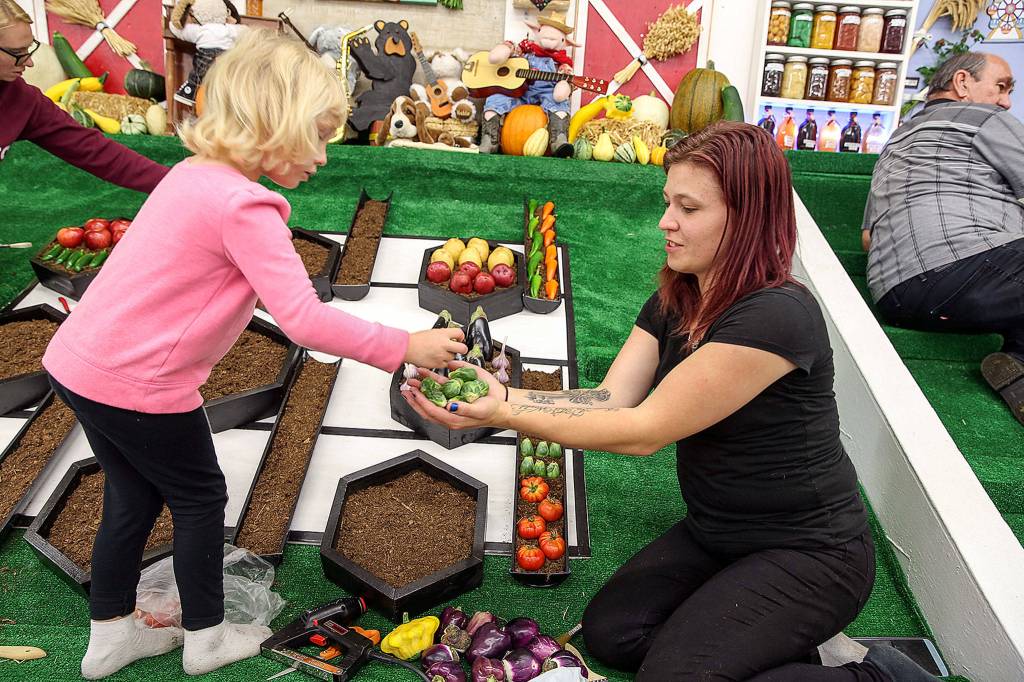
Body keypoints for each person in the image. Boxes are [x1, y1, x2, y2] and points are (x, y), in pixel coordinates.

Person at [405, 122, 938, 681]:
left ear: (747, 218)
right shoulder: (679, 295)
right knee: (614, 634)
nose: (666, 221)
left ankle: (880, 676)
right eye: (668, 202)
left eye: (688, 207)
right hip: (718, 534)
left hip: (813, 554)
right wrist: (507, 395)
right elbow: (609, 400)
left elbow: (645, 430)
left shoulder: (778, 315)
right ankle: (782, 649)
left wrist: (508, 413)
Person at [42, 30, 466, 680]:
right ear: (273, 127)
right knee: (200, 499)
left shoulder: (194, 176)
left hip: (78, 365)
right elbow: (303, 320)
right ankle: (206, 639)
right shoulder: (248, 207)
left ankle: (109, 639)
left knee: (130, 497)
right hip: (141, 386)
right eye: (317, 136)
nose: (325, 155)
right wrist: (403, 346)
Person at [861, 51, 1024, 426]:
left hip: (896, 297)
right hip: (969, 271)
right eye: (1001, 87)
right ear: (963, 83)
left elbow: (868, 238)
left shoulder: (894, 144)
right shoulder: (985, 118)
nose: (1006, 101)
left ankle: (1016, 364)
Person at [0, 0, 167, 192]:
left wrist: (175, 183)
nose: (29, 62)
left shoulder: (21, 99)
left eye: (29, 49)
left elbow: (91, 148)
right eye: (17, 53)